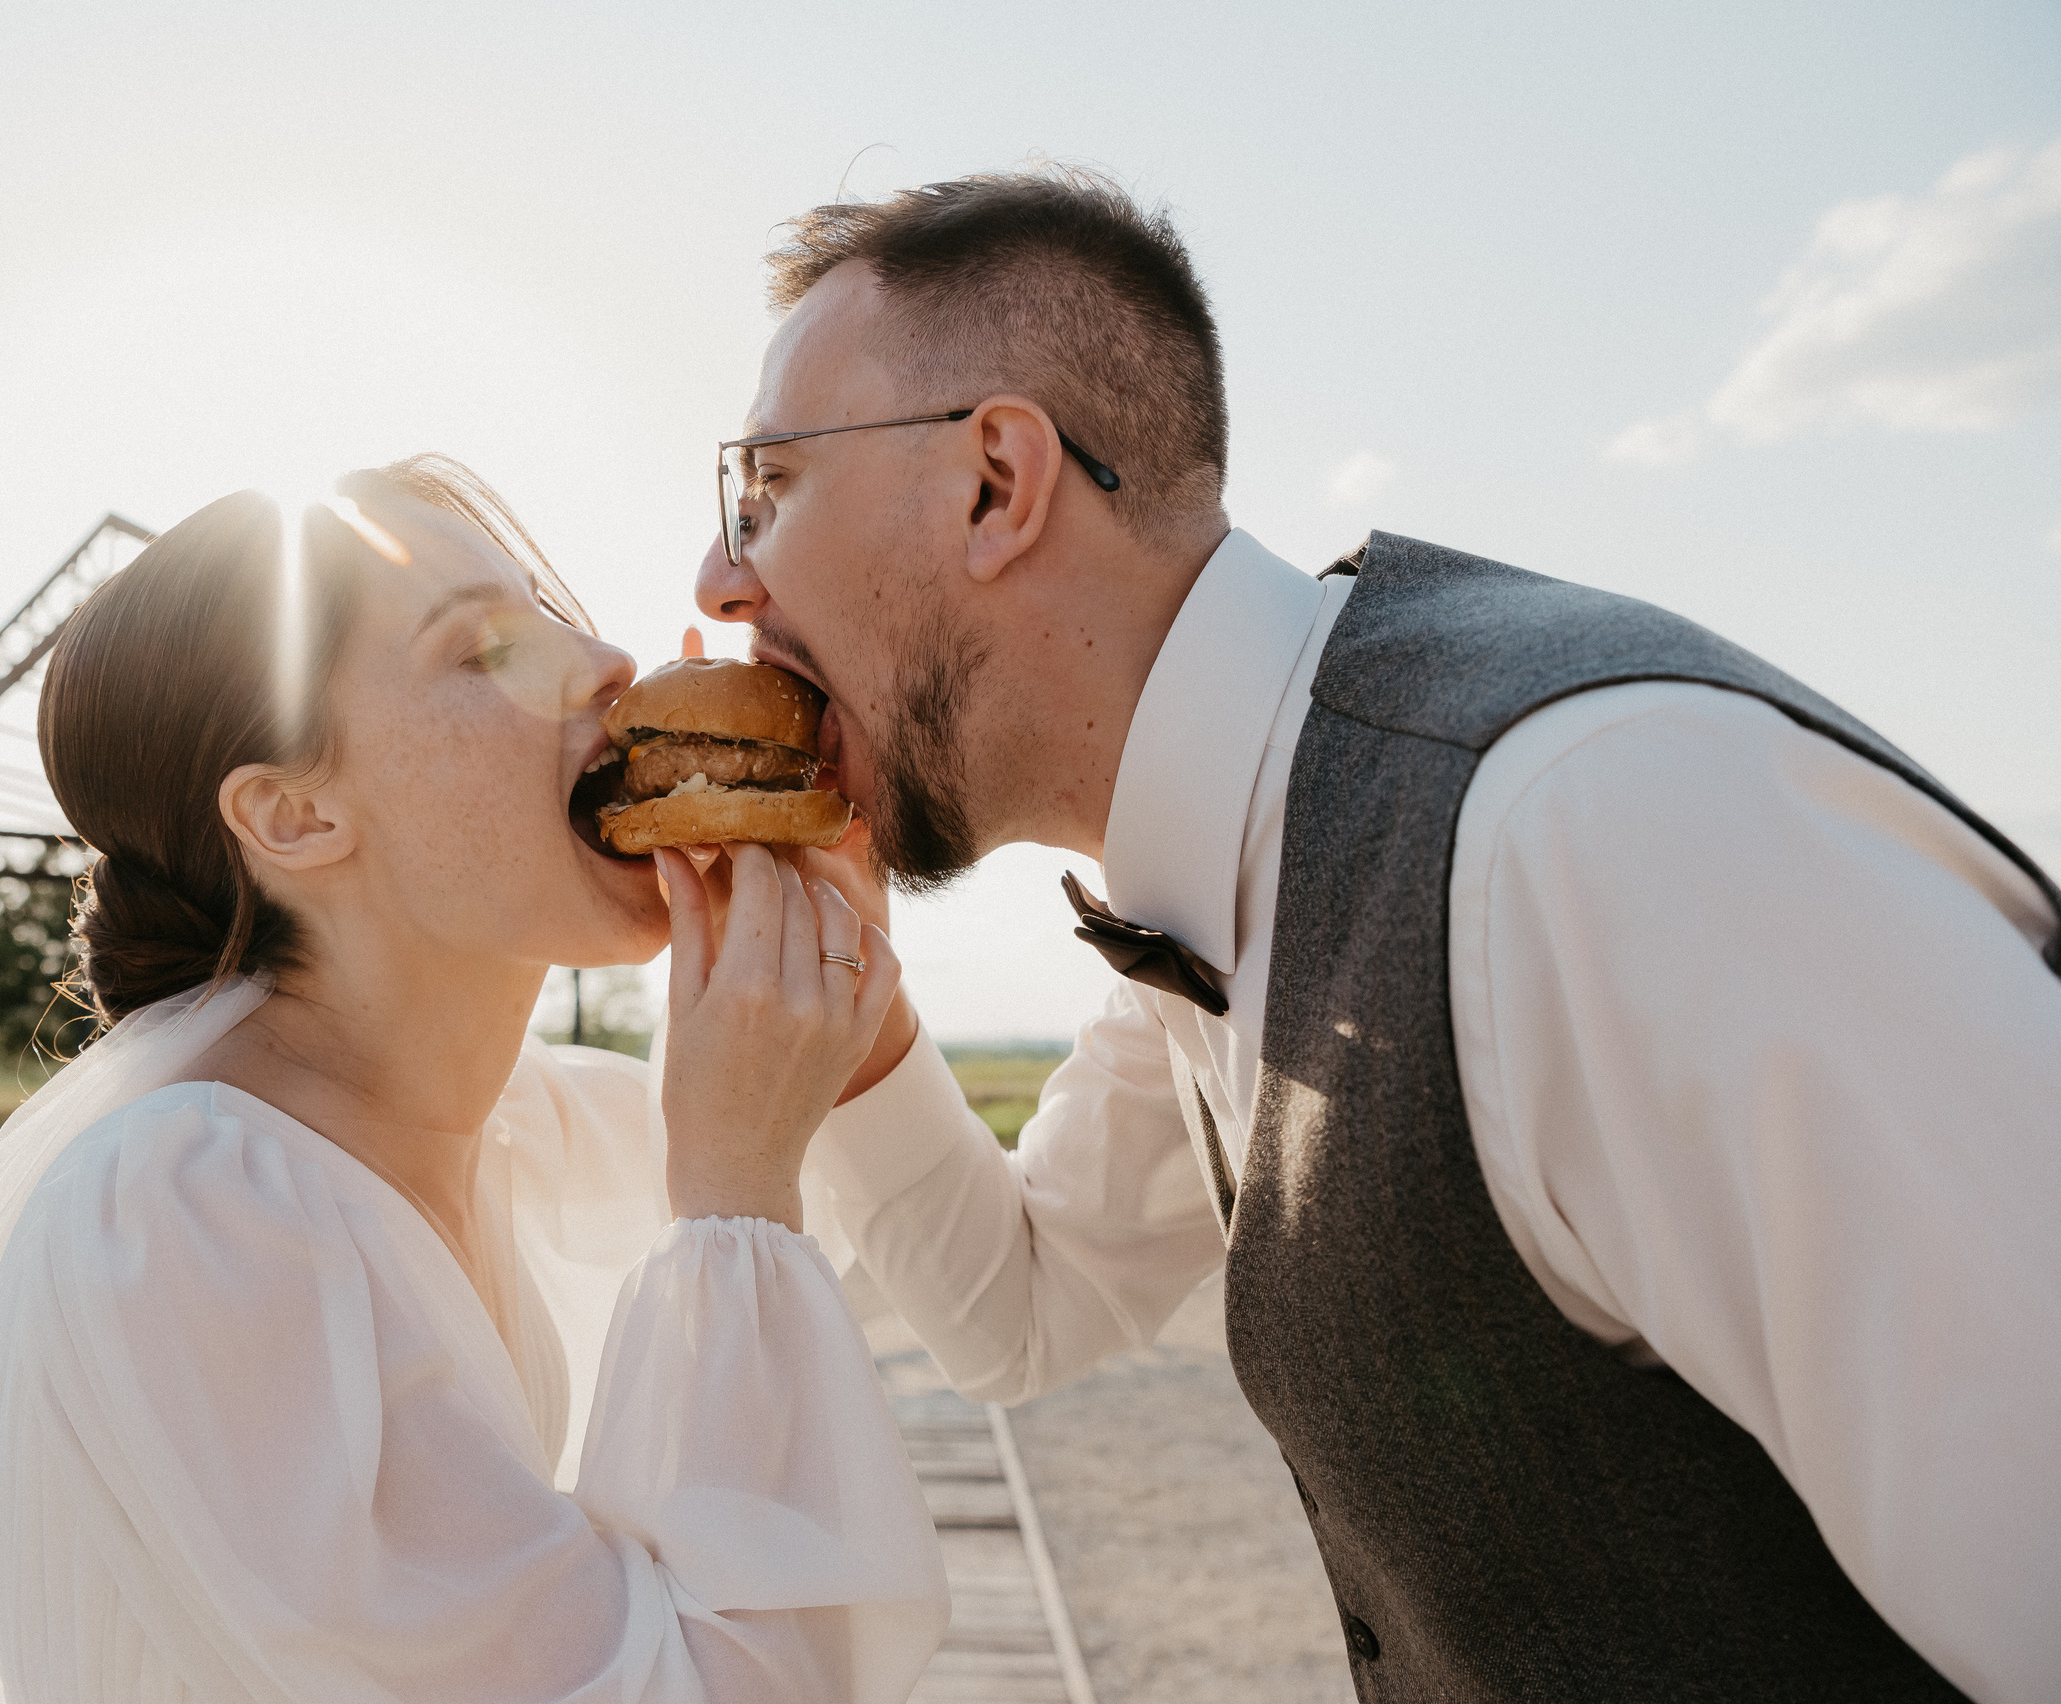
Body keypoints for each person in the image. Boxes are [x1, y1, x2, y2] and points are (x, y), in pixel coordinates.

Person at [689, 168, 2061, 1702]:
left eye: (764, 487)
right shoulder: (1220, 859)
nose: (716, 582)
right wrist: (844, 996)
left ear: (997, 482)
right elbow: (1026, 1312)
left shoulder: (1579, 836)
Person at [0, 455, 943, 1703]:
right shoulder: (184, 1216)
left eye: (551, 613)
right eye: (482, 649)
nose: (605, 663)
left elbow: (973, 1276)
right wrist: (734, 1194)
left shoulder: (524, 1117)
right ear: (295, 817)